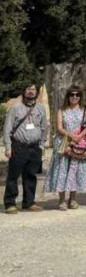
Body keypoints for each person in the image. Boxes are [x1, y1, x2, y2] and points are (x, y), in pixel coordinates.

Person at [47, 87, 86, 210]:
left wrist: (79, 136)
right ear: (68, 96)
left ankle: (73, 199)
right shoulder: (62, 110)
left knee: (75, 170)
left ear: (80, 96)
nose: (74, 97)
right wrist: (71, 135)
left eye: (77, 94)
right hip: (64, 142)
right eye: (72, 95)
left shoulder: (85, 109)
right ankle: (62, 200)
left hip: (79, 142)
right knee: (62, 171)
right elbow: (59, 127)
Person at [3, 84, 48, 213]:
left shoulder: (41, 108)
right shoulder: (15, 108)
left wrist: (41, 145)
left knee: (31, 176)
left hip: (35, 148)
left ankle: (29, 203)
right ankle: (10, 203)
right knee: (13, 176)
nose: (30, 92)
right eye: (28, 89)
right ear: (24, 91)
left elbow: (44, 128)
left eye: (33, 89)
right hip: (18, 146)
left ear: (37, 92)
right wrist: (7, 147)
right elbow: (7, 129)